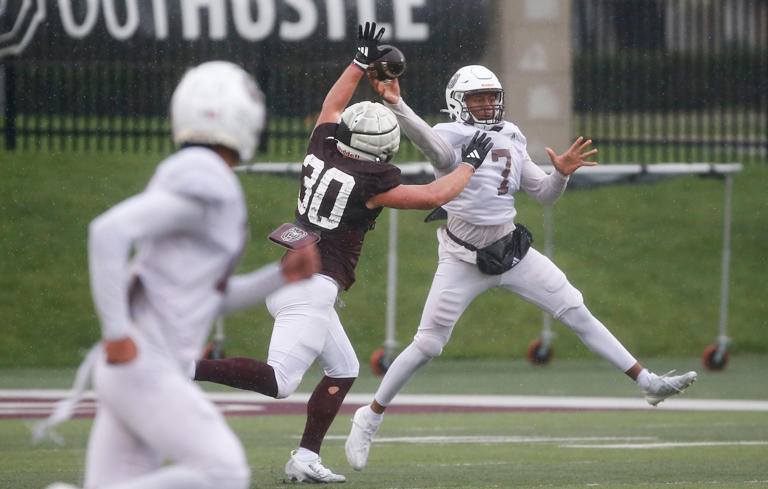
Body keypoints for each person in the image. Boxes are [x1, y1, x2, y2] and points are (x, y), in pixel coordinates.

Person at [344, 65, 698, 471]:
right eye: (476, 98)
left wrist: (560, 174)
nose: (486, 104)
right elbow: (434, 149)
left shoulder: (512, 134)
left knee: (576, 309)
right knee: (427, 345)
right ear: (457, 103)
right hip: (462, 258)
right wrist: (398, 104)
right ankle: (370, 415)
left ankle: (648, 383)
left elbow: (544, 194)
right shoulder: (449, 135)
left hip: (511, 249)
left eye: (490, 97)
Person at [191, 24, 493, 484]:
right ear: (384, 147)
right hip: (311, 287)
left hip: (296, 275)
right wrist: (470, 162)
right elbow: (434, 195)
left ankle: (305, 457)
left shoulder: (323, 145)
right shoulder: (373, 181)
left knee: (344, 369)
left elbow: (332, 106)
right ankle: (183, 367)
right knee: (280, 382)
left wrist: (357, 62)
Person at [41, 61, 320, 489]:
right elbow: (107, 232)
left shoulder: (194, 171)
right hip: (144, 364)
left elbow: (210, 297)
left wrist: (279, 277)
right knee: (224, 472)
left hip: (137, 367)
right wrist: (116, 333)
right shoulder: (207, 176)